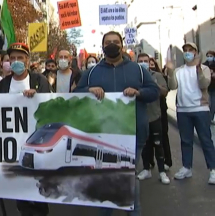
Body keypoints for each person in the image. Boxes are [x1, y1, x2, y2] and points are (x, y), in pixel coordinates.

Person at [74, 31, 159, 216]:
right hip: (101, 135)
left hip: (133, 131)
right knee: (105, 178)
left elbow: (154, 91)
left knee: (129, 175)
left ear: (122, 45)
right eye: (108, 42)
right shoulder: (91, 72)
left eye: (116, 42)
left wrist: (139, 92)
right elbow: (76, 94)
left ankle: (134, 212)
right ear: (103, 46)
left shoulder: (138, 70)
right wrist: (89, 90)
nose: (112, 45)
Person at [0, 42, 51, 216]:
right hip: (13, 142)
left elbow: (50, 105)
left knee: (38, 183)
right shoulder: (4, 84)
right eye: (13, 58)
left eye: (20, 58)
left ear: (27, 60)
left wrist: (37, 95)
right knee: (21, 184)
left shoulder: (39, 80)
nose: (16, 61)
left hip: (36, 142)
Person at [166, 43, 215, 184]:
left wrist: (199, 69)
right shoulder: (179, 71)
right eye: (185, 50)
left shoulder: (204, 68)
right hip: (183, 110)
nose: (187, 53)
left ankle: (213, 169)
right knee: (185, 141)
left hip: (200, 109)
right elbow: (172, 86)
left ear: (196, 52)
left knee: (206, 140)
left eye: (190, 50)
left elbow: (204, 84)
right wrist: (170, 72)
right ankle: (186, 167)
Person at [136, 53, 170, 184]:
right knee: (144, 145)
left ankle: (162, 172)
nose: (143, 63)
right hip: (140, 115)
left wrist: (155, 86)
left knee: (158, 144)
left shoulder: (157, 76)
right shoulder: (135, 77)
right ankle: (146, 169)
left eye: (145, 61)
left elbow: (165, 92)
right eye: (140, 61)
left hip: (155, 115)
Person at [149, 58, 172, 170]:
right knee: (149, 138)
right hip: (150, 109)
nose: (150, 66)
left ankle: (167, 161)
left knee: (163, 136)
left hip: (161, 109)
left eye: (152, 65)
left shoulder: (158, 76)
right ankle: (149, 161)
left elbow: (165, 91)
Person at [203, 50, 215, 123]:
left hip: (214, 87)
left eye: (211, 56)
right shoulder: (204, 65)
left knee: (213, 104)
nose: (209, 58)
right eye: (208, 56)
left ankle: (210, 118)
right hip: (207, 87)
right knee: (208, 103)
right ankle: (208, 118)